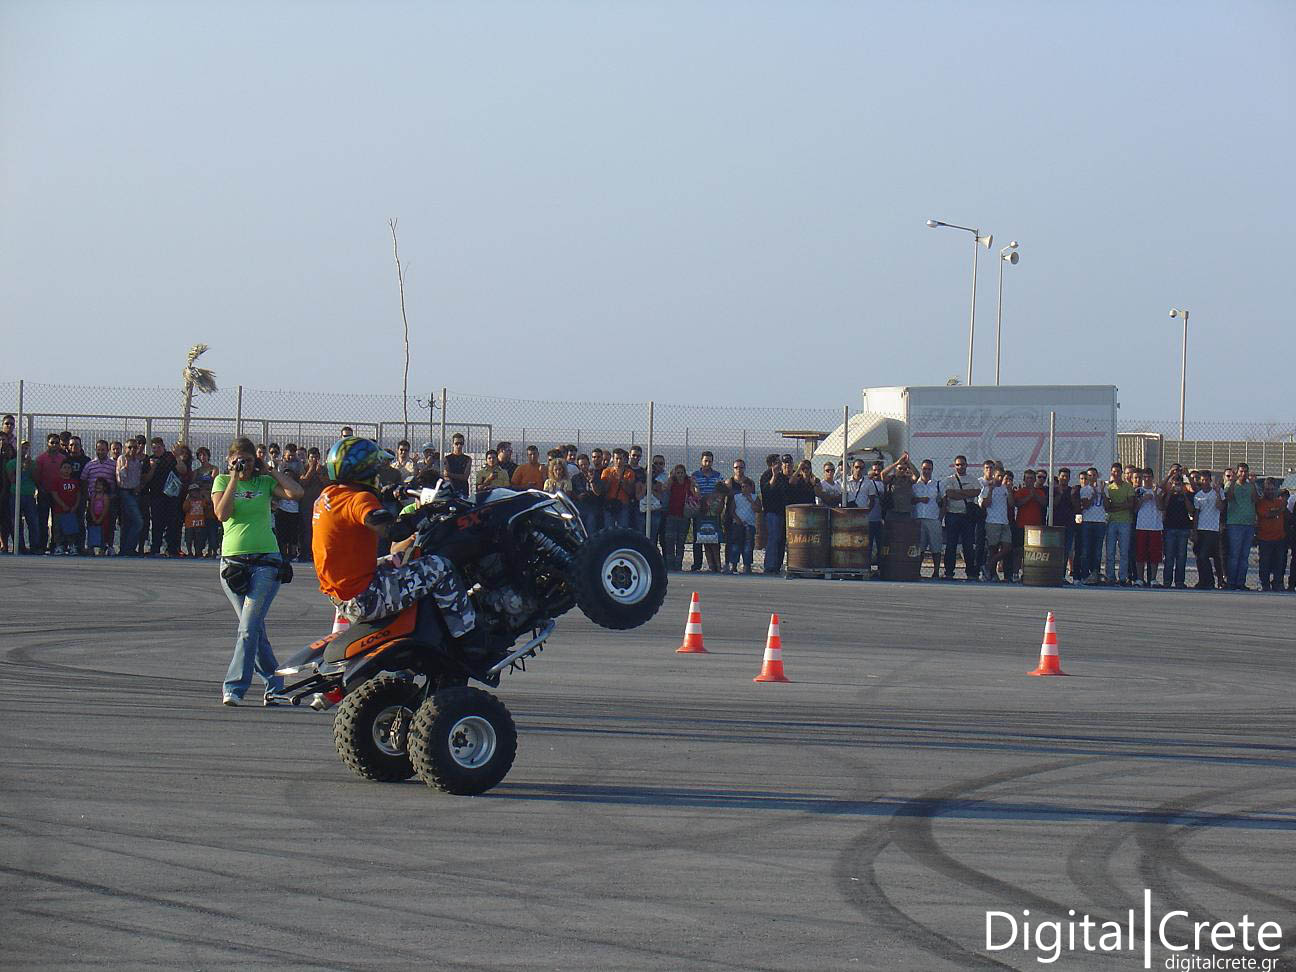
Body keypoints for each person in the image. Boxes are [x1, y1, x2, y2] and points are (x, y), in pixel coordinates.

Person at [310, 437, 501, 667]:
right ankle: (471, 641)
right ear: (363, 471)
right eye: (376, 467)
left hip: (343, 594)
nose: (379, 472)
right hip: (365, 598)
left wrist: (389, 494)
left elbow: (356, 512)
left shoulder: (328, 495)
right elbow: (393, 530)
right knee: (439, 567)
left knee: (403, 558)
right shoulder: (358, 499)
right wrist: (428, 510)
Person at [212, 436, 304, 706]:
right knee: (252, 629)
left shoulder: (264, 482)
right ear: (229, 461)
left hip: (265, 561)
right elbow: (222, 514)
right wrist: (233, 479)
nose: (243, 465)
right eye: (238, 460)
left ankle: (234, 687)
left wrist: (270, 470)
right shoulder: (221, 481)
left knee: (248, 628)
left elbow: (296, 493)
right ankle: (275, 686)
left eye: (248, 460)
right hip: (233, 565)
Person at [141, 437, 181, 556]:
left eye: (159, 447)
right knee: (157, 523)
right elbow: (146, 479)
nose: (157, 450)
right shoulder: (149, 460)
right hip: (156, 495)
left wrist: (177, 457)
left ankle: (171, 549)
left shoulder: (170, 457)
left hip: (171, 496)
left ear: (163, 447)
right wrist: (153, 468)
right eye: (154, 448)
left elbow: (182, 470)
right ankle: (155, 548)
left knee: (172, 522)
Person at [941, 456, 978, 582]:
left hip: (967, 516)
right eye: (957, 464)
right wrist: (967, 493)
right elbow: (950, 494)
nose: (960, 467)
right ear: (954, 466)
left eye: (962, 464)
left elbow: (976, 492)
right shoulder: (949, 479)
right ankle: (949, 572)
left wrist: (958, 493)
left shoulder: (972, 479)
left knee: (968, 546)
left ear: (966, 465)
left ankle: (971, 573)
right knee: (951, 545)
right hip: (952, 515)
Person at [1224, 464, 1258, 590]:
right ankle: (1231, 582)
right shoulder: (1231, 484)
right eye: (1241, 471)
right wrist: (1233, 481)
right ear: (1237, 472)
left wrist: (1253, 484)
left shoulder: (1250, 486)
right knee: (1234, 554)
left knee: (1244, 555)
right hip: (1235, 523)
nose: (1244, 474)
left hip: (1249, 524)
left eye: (1246, 472)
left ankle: (1240, 582)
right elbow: (1228, 497)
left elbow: (1255, 499)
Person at [1132, 469, 1166, 587]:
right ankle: (1139, 579)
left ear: (1152, 477)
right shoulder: (1138, 491)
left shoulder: (1158, 490)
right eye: (1144, 477)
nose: (1147, 479)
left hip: (1155, 527)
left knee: (1154, 555)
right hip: (1141, 526)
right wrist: (1142, 499)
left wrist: (1155, 495)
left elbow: (1161, 507)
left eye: (1149, 477)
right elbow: (1135, 509)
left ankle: (1153, 579)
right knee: (1140, 554)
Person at [1011, 469, 1046, 582]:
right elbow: (1018, 503)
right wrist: (1029, 496)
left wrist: (1034, 495)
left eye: (1031, 478)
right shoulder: (1020, 491)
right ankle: (1015, 573)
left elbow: (1044, 503)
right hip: (1021, 525)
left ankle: (1030, 573)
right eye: (1027, 478)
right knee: (1018, 551)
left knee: (1033, 553)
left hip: (1035, 527)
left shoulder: (1039, 492)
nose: (1029, 480)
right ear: (1024, 480)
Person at [1103, 462, 1135, 586]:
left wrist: (1115, 506)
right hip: (1111, 522)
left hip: (1125, 522)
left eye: (1117, 471)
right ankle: (1110, 576)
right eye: (1113, 472)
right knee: (1110, 551)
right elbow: (1107, 506)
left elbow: (1130, 504)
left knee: (1124, 551)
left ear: (1121, 473)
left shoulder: (1128, 487)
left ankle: (1122, 577)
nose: (1115, 474)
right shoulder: (1109, 488)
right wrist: (1120, 506)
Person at [759, 455, 792, 574]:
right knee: (773, 538)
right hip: (772, 512)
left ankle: (777, 565)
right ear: (772, 464)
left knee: (781, 540)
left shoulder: (782, 476)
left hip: (782, 511)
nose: (780, 464)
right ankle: (769, 566)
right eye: (778, 462)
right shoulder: (766, 475)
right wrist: (774, 475)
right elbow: (767, 490)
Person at [4, 440, 39, 553]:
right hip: (16, 494)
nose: (24, 450)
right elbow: (12, 480)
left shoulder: (32, 463)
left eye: (26, 448)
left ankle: (34, 546)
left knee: (33, 521)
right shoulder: (11, 463)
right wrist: (21, 468)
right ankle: (19, 546)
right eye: (22, 448)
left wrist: (30, 467)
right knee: (16, 521)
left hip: (29, 495)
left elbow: (36, 479)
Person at [1192, 472, 1224, 590]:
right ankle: (1204, 580)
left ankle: (1217, 580)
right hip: (1201, 529)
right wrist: (1195, 531)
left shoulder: (1217, 492)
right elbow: (1196, 514)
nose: (1205, 482)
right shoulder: (1198, 496)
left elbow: (1221, 507)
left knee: (1214, 556)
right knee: (1200, 557)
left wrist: (1217, 493)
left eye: (1207, 480)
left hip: (1213, 529)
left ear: (1210, 480)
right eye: (1203, 480)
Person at [979, 468, 1012, 581]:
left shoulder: (1004, 488)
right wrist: (990, 490)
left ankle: (988, 565)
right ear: (993, 475)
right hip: (992, 522)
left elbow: (1011, 504)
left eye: (1002, 476)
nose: (1000, 478)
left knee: (1007, 547)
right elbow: (985, 504)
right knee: (993, 548)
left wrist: (1009, 491)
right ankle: (991, 573)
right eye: (998, 476)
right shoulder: (986, 488)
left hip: (1004, 522)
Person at [912, 458, 943, 578]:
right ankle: (917, 571)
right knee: (920, 547)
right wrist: (920, 499)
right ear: (921, 469)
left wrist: (940, 517)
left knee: (936, 547)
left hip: (933, 519)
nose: (926, 471)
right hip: (918, 518)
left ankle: (936, 572)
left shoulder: (937, 484)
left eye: (929, 469)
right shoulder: (915, 485)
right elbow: (910, 500)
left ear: (932, 470)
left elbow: (944, 501)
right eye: (924, 469)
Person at [1076, 468, 1108, 584]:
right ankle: (1085, 574)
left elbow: (1107, 506)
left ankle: (1095, 574)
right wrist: (1093, 495)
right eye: (1090, 475)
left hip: (1100, 522)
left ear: (1097, 476)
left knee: (1098, 551)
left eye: (1094, 475)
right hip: (1088, 521)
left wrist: (1102, 493)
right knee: (1086, 550)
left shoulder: (1103, 488)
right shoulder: (1084, 490)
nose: (1092, 477)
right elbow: (1085, 506)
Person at [1161, 475, 1192, 589]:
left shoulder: (1186, 495)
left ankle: (1179, 581)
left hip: (1183, 528)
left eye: (1179, 484)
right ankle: (1167, 581)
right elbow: (1163, 506)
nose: (1177, 486)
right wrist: (1170, 493)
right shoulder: (1167, 495)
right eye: (1175, 484)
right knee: (1169, 556)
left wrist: (1184, 494)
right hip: (1170, 528)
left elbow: (1191, 510)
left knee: (1181, 557)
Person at [1256, 478, 1286, 591]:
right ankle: (1265, 584)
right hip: (1265, 538)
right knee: (1265, 563)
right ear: (1264, 490)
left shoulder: (1279, 502)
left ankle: (1277, 583)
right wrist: (1280, 510)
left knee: (1279, 563)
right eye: (1268, 489)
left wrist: (1281, 508)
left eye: (1272, 489)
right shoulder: (1261, 502)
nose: (1270, 492)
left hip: (1279, 538)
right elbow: (1267, 514)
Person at [727, 478, 759, 573]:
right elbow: (732, 510)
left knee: (748, 546)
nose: (744, 489)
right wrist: (737, 520)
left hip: (750, 525)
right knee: (736, 545)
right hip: (738, 524)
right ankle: (734, 565)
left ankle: (747, 565)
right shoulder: (737, 497)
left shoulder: (755, 497)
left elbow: (758, 509)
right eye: (742, 487)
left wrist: (751, 501)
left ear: (751, 487)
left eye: (746, 487)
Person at [601, 448, 637, 531]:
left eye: (621, 458)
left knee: (623, 529)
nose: (619, 461)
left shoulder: (629, 473)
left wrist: (623, 482)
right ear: (613, 459)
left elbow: (631, 492)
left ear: (624, 459)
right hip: (610, 504)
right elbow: (604, 490)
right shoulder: (607, 472)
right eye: (616, 458)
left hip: (623, 504)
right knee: (609, 529)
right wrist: (609, 481)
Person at [184, 484, 210, 558]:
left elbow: (207, 506)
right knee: (189, 539)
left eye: (196, 491)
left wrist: (204, 496)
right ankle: (189, 552)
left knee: (199, 539)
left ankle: (198, 552)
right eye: (192, 491)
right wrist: (188, 500)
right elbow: (185, 509)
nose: (195, 493)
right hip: (189, 523)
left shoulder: (202, 500)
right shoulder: (188, 501)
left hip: (199, 523)